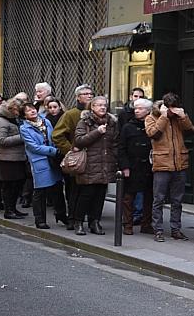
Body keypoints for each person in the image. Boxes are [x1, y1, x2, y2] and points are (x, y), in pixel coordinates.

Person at [146, 92, 194, 243]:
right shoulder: (151, 117)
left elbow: (191, 130)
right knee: (158, 199)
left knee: (177, 200)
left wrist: (183, 116)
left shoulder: (178, 118)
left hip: (179, 163)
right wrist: (164, 116)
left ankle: (176, 229)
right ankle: (158, 230)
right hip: (162, 164)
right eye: (170, 108)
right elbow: (153, 134)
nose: (173, 110)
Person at [72, 96, 120, 236]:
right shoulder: (84, 122)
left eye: (104, 105)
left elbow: (115, 143)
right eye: (98, 105)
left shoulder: (112, 123)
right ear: (92, 107)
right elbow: (79, 141)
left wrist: (115, 160)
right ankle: (78, 222)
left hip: (106, 163)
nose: (102, 107)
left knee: (100, 195)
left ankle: (95, 222)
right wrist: (97, 132)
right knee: (86, 194)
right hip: (89, 163)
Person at [53, 85, 94, 230]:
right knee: (74, 190)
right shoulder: (71, 114)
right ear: (78, 97)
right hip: (78, 160)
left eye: (91, 93)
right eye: (85, 94)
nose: (89, 96)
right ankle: (73, 218)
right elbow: (57, 135)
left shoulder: (97, 114)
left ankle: (90, 219)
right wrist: (70, 150)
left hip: (94, 159)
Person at [117, 98, 156, 236]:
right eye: (136, 108)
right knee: (128, 197)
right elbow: (121, 148)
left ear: (148, 111)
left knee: (149, 196)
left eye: (140, 108)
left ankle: (146, 224)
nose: (137, 110)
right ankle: (127, 224)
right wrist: (125, 166)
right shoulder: (128, 127)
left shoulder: (153, 125)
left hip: (149, 166)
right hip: (133, 166)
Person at [20, 102, 61, 230]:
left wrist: (56, 149)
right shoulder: (24, 128)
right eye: (28, 111)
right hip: (40, 160)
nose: (32, 111)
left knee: (58, 188)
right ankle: (40, 219)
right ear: (24, 115)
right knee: (40, 191)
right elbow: (33, 147)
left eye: (32, 109)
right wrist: (53, 151)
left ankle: (61, 215)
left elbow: (53, 137)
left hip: (53, 159)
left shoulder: (45, 121)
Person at [0, 97, 30, 219]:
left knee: (17, 185)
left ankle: (13, 208)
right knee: (9, 185)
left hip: (19, 157)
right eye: (18, 110)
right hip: (6, 159)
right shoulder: (1, 121)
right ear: (12, 109)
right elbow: (1, 140)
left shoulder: (15, 120)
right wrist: (22, 137)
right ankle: (8, 210)